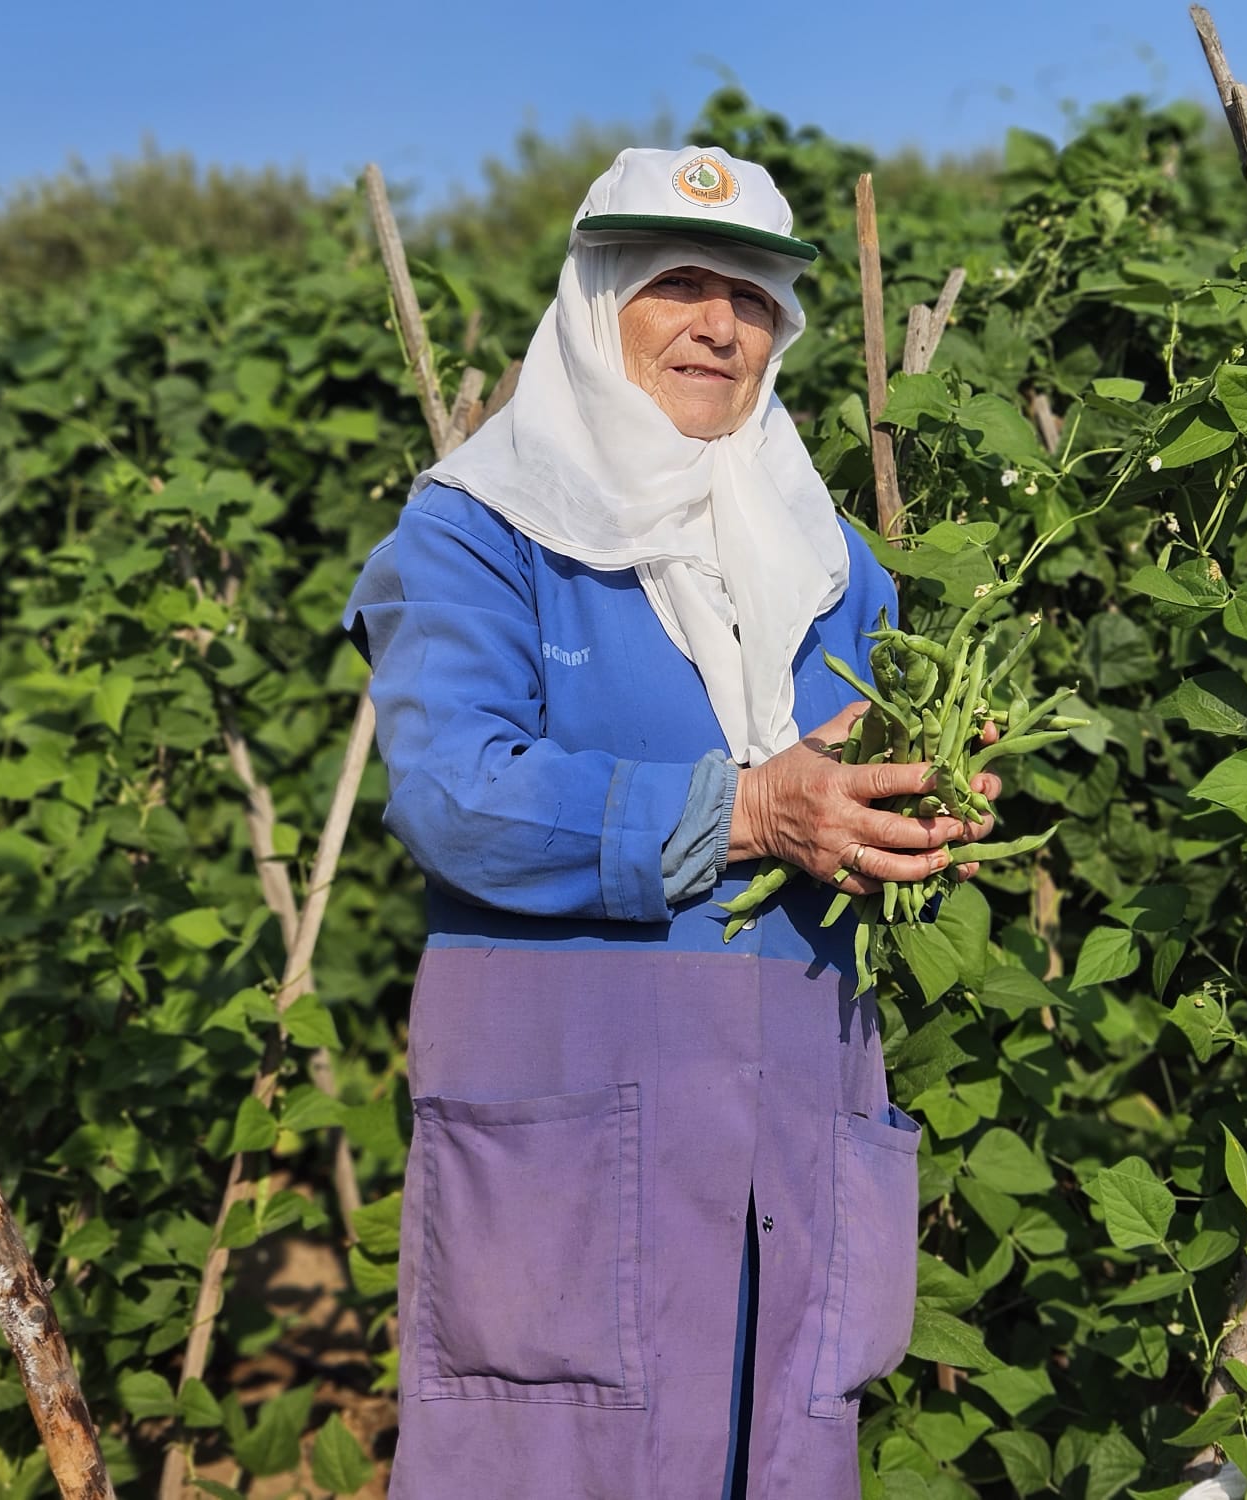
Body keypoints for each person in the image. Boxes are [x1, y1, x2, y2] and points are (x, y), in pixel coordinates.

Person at [342, 144, 999, 1500]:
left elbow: (858, 784)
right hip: (576, 1109)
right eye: (678, 286)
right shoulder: (480, 530)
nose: (722, 323)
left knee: (778, 1443)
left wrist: (915, 805)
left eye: (751, 294)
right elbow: (454, 790)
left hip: (797, 1103)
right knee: (556, 1457)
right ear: (598, 302)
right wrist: (749, 810)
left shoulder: (830, 558)